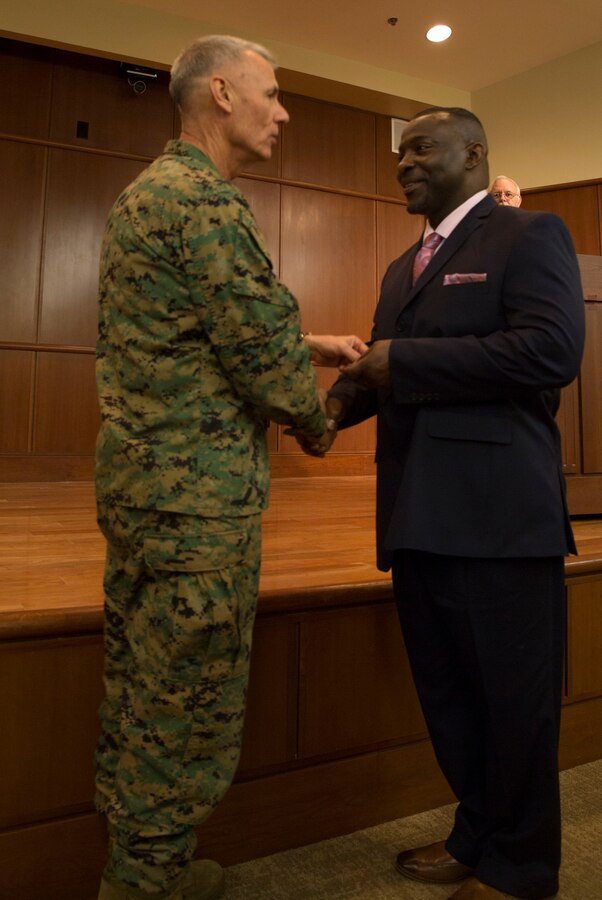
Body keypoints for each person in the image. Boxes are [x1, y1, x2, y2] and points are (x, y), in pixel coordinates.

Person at [94, 34, 366, 900]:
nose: (282, 112)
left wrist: (305, 339)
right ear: (221, 93)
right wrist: (333, 408)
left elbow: (200, 330)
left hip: (144, 495)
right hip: (200, 509)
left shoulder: (148, 194)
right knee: (187, 703)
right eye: (273, 94)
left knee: (140, 686)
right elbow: (260, 354)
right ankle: (147, 885)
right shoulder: (208, 204)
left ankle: (139, 863)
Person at [312, 107, 584, 899]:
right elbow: (374, 365)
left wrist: (409, 361)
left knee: (514, 706)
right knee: (451, 700)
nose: (404, 163)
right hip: (415, 513)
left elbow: (551, 351)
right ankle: (476, 836)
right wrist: (330, 410)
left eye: (422, 148)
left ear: (476, 153)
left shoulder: (530, 236)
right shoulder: (403, 268)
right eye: (400, 153)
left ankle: (524, 869)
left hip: (501, 518)